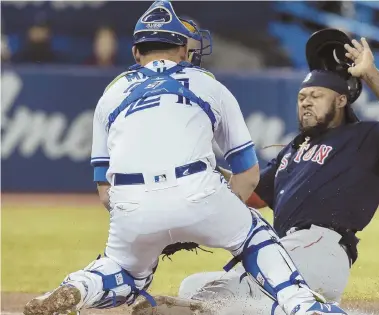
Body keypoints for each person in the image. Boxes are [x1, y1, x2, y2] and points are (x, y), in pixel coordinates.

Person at [23, 4, 347, 315]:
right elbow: (247, 175)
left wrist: (155, 225)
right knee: (253, 237)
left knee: (126, 272)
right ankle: (301, 304)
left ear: (136, 52)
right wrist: (210, 216)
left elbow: (105, 191)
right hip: (198, 191)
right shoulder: (207, 83)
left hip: (132, 204)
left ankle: (79, 286)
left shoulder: (112, 92)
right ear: (182, 50)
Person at [143, 29, 379, 315]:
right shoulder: (294, 149)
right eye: (302, 96)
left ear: (341, 101)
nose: (305, 101)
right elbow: (252, 193)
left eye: (316, 95)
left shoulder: (363, 138)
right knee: (195, 288)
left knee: (228, 299)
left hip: (320, 246)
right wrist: (197, 166)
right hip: (283, 248)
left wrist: (371, 75)